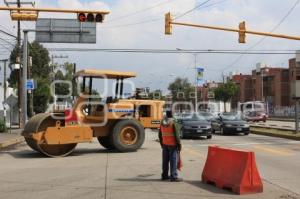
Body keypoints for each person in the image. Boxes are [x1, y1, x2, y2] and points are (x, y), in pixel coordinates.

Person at [159, 111, 182, 182]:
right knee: (173, 160)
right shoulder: (173, 122)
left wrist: (162, 144)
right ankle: (174, 176)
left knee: (165, 161)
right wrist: (179, 144)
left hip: (165, 144)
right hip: (172, 144)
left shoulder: (162, 123)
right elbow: (177, 135)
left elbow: (160, 135)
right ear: (172, 115)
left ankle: (164, 175)